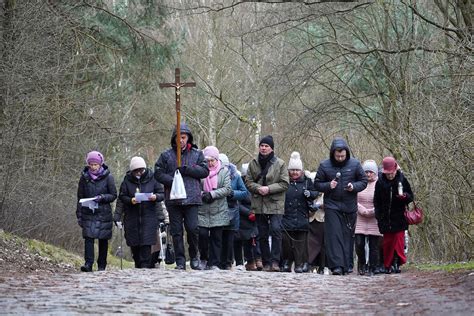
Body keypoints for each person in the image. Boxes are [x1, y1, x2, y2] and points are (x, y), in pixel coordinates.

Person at [154, 123, 209, 270]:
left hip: (192, 198)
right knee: (176, 231)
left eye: (184, 137)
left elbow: (204, 171)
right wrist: (172, 180)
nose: (181, 140)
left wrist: (187, 170)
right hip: (174, 199)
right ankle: (180, 261)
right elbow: (158, 173)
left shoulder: (197, 154)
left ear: (188, 138)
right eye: (178, 137)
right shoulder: (166, 155)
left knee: (192, 229)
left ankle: (194, 257)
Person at [313, 137, 367, 275]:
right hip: (332, 205)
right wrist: (328, 186)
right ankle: (336, 266)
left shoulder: (355, 164)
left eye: (342, 155)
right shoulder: (324, 165)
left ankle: (347, 265)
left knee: (347, 236)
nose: (340, 158)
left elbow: (363, 181)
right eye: (337, 156)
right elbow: (317, 184)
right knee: (334, 236)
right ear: (332, 154)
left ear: (346, 153)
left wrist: (353, 187)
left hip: (349, 206)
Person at [245, 135, 289, 272]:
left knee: (276, 230)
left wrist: (269, 189)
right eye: (262, 145)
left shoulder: (280, 164)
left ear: (271, 148)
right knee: (262, 234)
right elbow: (248, 181)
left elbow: (284, 183)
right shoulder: (253, 163)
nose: (263, 148)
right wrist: (257, 188)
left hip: (275, 203)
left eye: (266, 146)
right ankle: (266, 262)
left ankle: (275, 261)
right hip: (259, 202)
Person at [114, 157, 165, 268]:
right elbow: (122, 197)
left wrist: (155, 197)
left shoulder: (153, 179)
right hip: (132, 218)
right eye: (136, 171)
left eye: (141, 170)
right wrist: (131, 200)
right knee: (135, 247)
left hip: (149, 217)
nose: (139, 173)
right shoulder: (126, 181)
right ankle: (138, 265)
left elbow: (161, 194)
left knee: (146, 246)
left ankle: (145, 268)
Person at [76, 151, 117, 272]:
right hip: (88, 211)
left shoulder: (108, 177)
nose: (93, 167)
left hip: (103, 213)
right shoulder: (84, 178)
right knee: (88, 238)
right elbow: (80, 197)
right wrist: (79, 214)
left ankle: (101, 265)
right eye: (91, 164)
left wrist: (102, 198)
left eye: (95, 164)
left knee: (103, 240)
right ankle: (88, 263)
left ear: (100, 164)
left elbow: (113, 195)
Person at [374, 157, 413, 274]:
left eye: (392, 173)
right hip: (385, 218)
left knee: (398, 241)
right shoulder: (380, 182)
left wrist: (404, 197)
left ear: (395, 170)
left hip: (399, 217)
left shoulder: (402, 179)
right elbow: (376, 200)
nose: (390, 175)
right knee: (387, 243)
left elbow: (411, 196)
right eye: (388, 173)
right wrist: (378, 214)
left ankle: (397, 263)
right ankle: (388, 264)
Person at [281, 152, 318, 273]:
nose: (295, 172)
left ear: (301, 171)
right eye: (292, 170)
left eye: (297, 170)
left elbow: (315, 193)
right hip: (287, 216)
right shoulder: (284, 181)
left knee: (300, 244)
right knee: (286, 242)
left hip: (302, 216)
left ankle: (299, 263)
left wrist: (309, 194)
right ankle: (287, 262)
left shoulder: (307, 182)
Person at [198, 146, 232, 270]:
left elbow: (227, 189)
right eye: (207, 160)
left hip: (219, 209)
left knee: (216, 238)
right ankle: (203, 257)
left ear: (217, 160)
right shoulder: (200, 171)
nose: (210, 163)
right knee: (202, 235)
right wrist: (202, 194)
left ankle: (214, 263)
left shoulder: (224, 172)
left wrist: (213, 194)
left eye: (212, 160)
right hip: (202, 209)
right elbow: (195, 186)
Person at [219, 154, 249, 270]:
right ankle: (217, 261)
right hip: (217, 209)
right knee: (217, 237)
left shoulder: (236, 176)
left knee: (229, 238)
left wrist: (232, 194)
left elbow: (244, 192)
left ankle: (228, 262)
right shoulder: (212, 175)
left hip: (231, 210)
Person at [354, 160, 382, 276]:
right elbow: (353, 198)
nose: (368, 174)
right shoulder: (359, 183)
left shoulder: (380, 184)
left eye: (371, 172)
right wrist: (361, 210)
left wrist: (372, 211)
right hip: (360, 217)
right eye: (366, 172)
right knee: (359, 243)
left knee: (373, 245)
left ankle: (373, 266)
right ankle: (361, 263)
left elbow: (382, 201)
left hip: (374, 217)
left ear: (375, 173)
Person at [234, 163, 262, 271]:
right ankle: (249, 261)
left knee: (257, 238)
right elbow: (237, 203)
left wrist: (257, 212)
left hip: (257, 216)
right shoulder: (240, 184)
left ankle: (259, 259)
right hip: (243, 218)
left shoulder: (258, 185)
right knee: (246, 240)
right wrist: (248, 213)